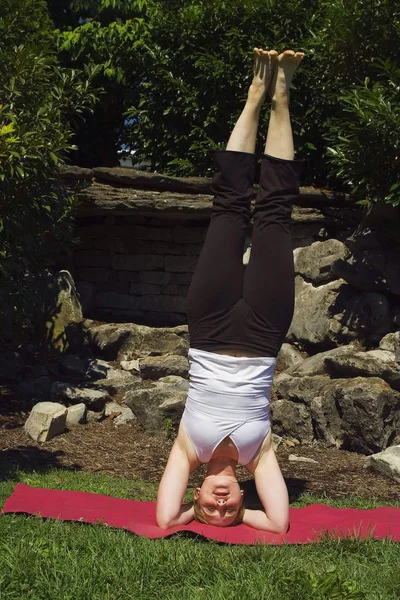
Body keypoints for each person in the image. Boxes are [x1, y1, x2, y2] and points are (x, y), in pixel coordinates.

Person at [156, 48, 304, 532]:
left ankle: (254, 95)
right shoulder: (258, 456)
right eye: (231, 510)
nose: (220, 504)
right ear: (244, 498)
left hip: (210, 322)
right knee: (275, 213)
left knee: (228, 208)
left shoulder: (187, 448)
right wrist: (244, 519)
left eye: (208, 508)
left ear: (195, 495)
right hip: (264, 331)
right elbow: (280, 523)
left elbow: (162, 518)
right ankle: (281, 96)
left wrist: (187, 516)